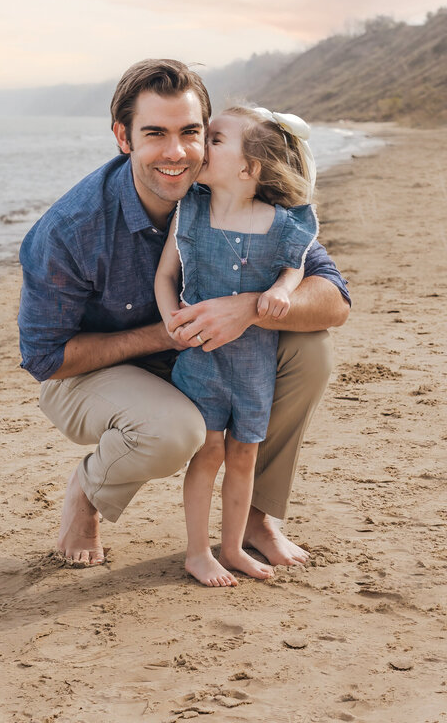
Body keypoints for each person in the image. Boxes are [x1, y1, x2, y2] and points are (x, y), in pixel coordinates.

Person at [17, 58, 350, 568]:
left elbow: (332, 297)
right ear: (123, 138)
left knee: (310, 350)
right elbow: (45, 359)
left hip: (207, 351)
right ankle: (88, 490)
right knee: (177, 433)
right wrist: (168, 334)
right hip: (90, 372)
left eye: (191, 133)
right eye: (155, 133)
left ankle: (257, 519)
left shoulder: (234, 194)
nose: (175, 153)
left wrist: (248, 310)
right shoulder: (70, 230)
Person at [154, 105, 319, 587]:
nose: (202, 145)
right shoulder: (191, 212)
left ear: (250, 168)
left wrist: (282, 291)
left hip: (253, 364)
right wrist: (171, 321)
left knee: (244, 454)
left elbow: (295, 266)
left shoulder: (284, 224)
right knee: (207, 452)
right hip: (201, 359)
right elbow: (166, 277)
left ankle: (233, 548)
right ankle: (198, 552)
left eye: (216, 139)